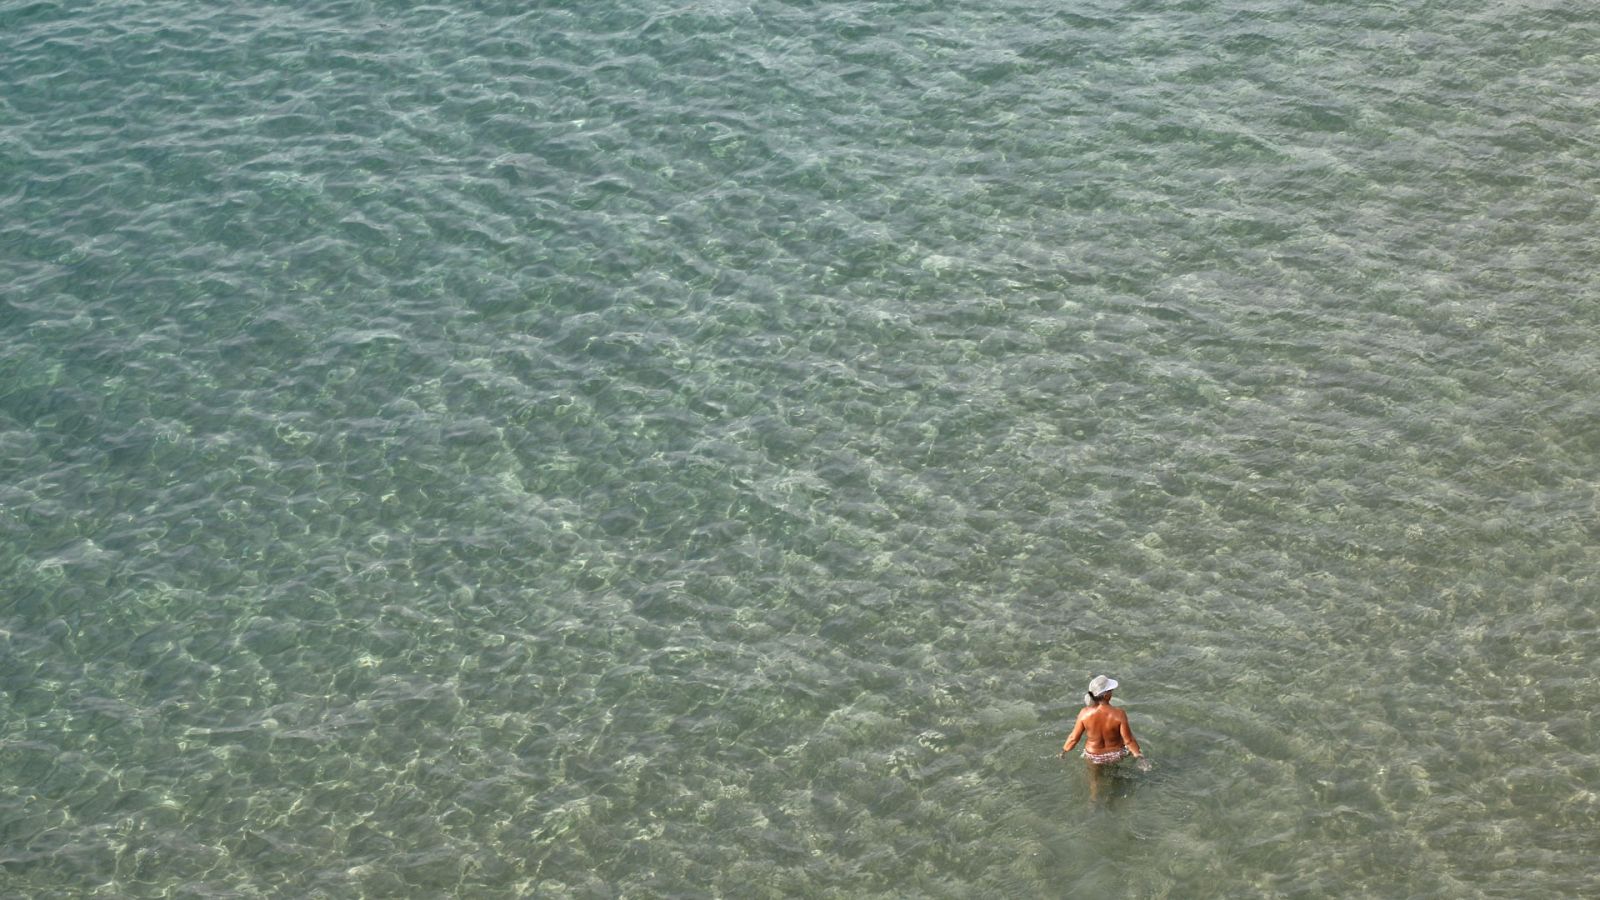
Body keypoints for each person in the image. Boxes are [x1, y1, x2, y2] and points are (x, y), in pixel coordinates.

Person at [1060, 675, 1146, 771]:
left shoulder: (1084, 713)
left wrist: (1064, 751)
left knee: (1094, 782)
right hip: (1116, 754)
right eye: (1111, 690)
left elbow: (1074, 738)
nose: (1112, 692)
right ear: (1106, 695)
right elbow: (1129, 740)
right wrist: (1140, 757)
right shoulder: (1119, 714)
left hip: (1094, 756)